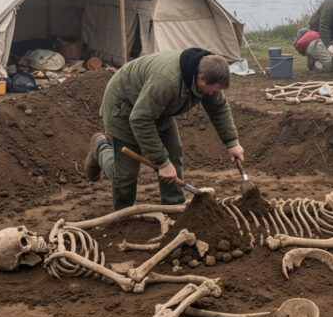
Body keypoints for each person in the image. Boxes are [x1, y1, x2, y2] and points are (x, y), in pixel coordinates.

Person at [84, 48, 245, 209]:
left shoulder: (208, 75)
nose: (214, 93)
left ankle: (173, 207)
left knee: (173, 155)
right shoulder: (167, 81)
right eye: (214, 89)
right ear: (201, 78)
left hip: (158, 110)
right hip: (124, 107)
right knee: (126, 174)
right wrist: (162, 162)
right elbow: (140, 119)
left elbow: (218, 107)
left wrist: (232, 143)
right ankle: (101, 150)